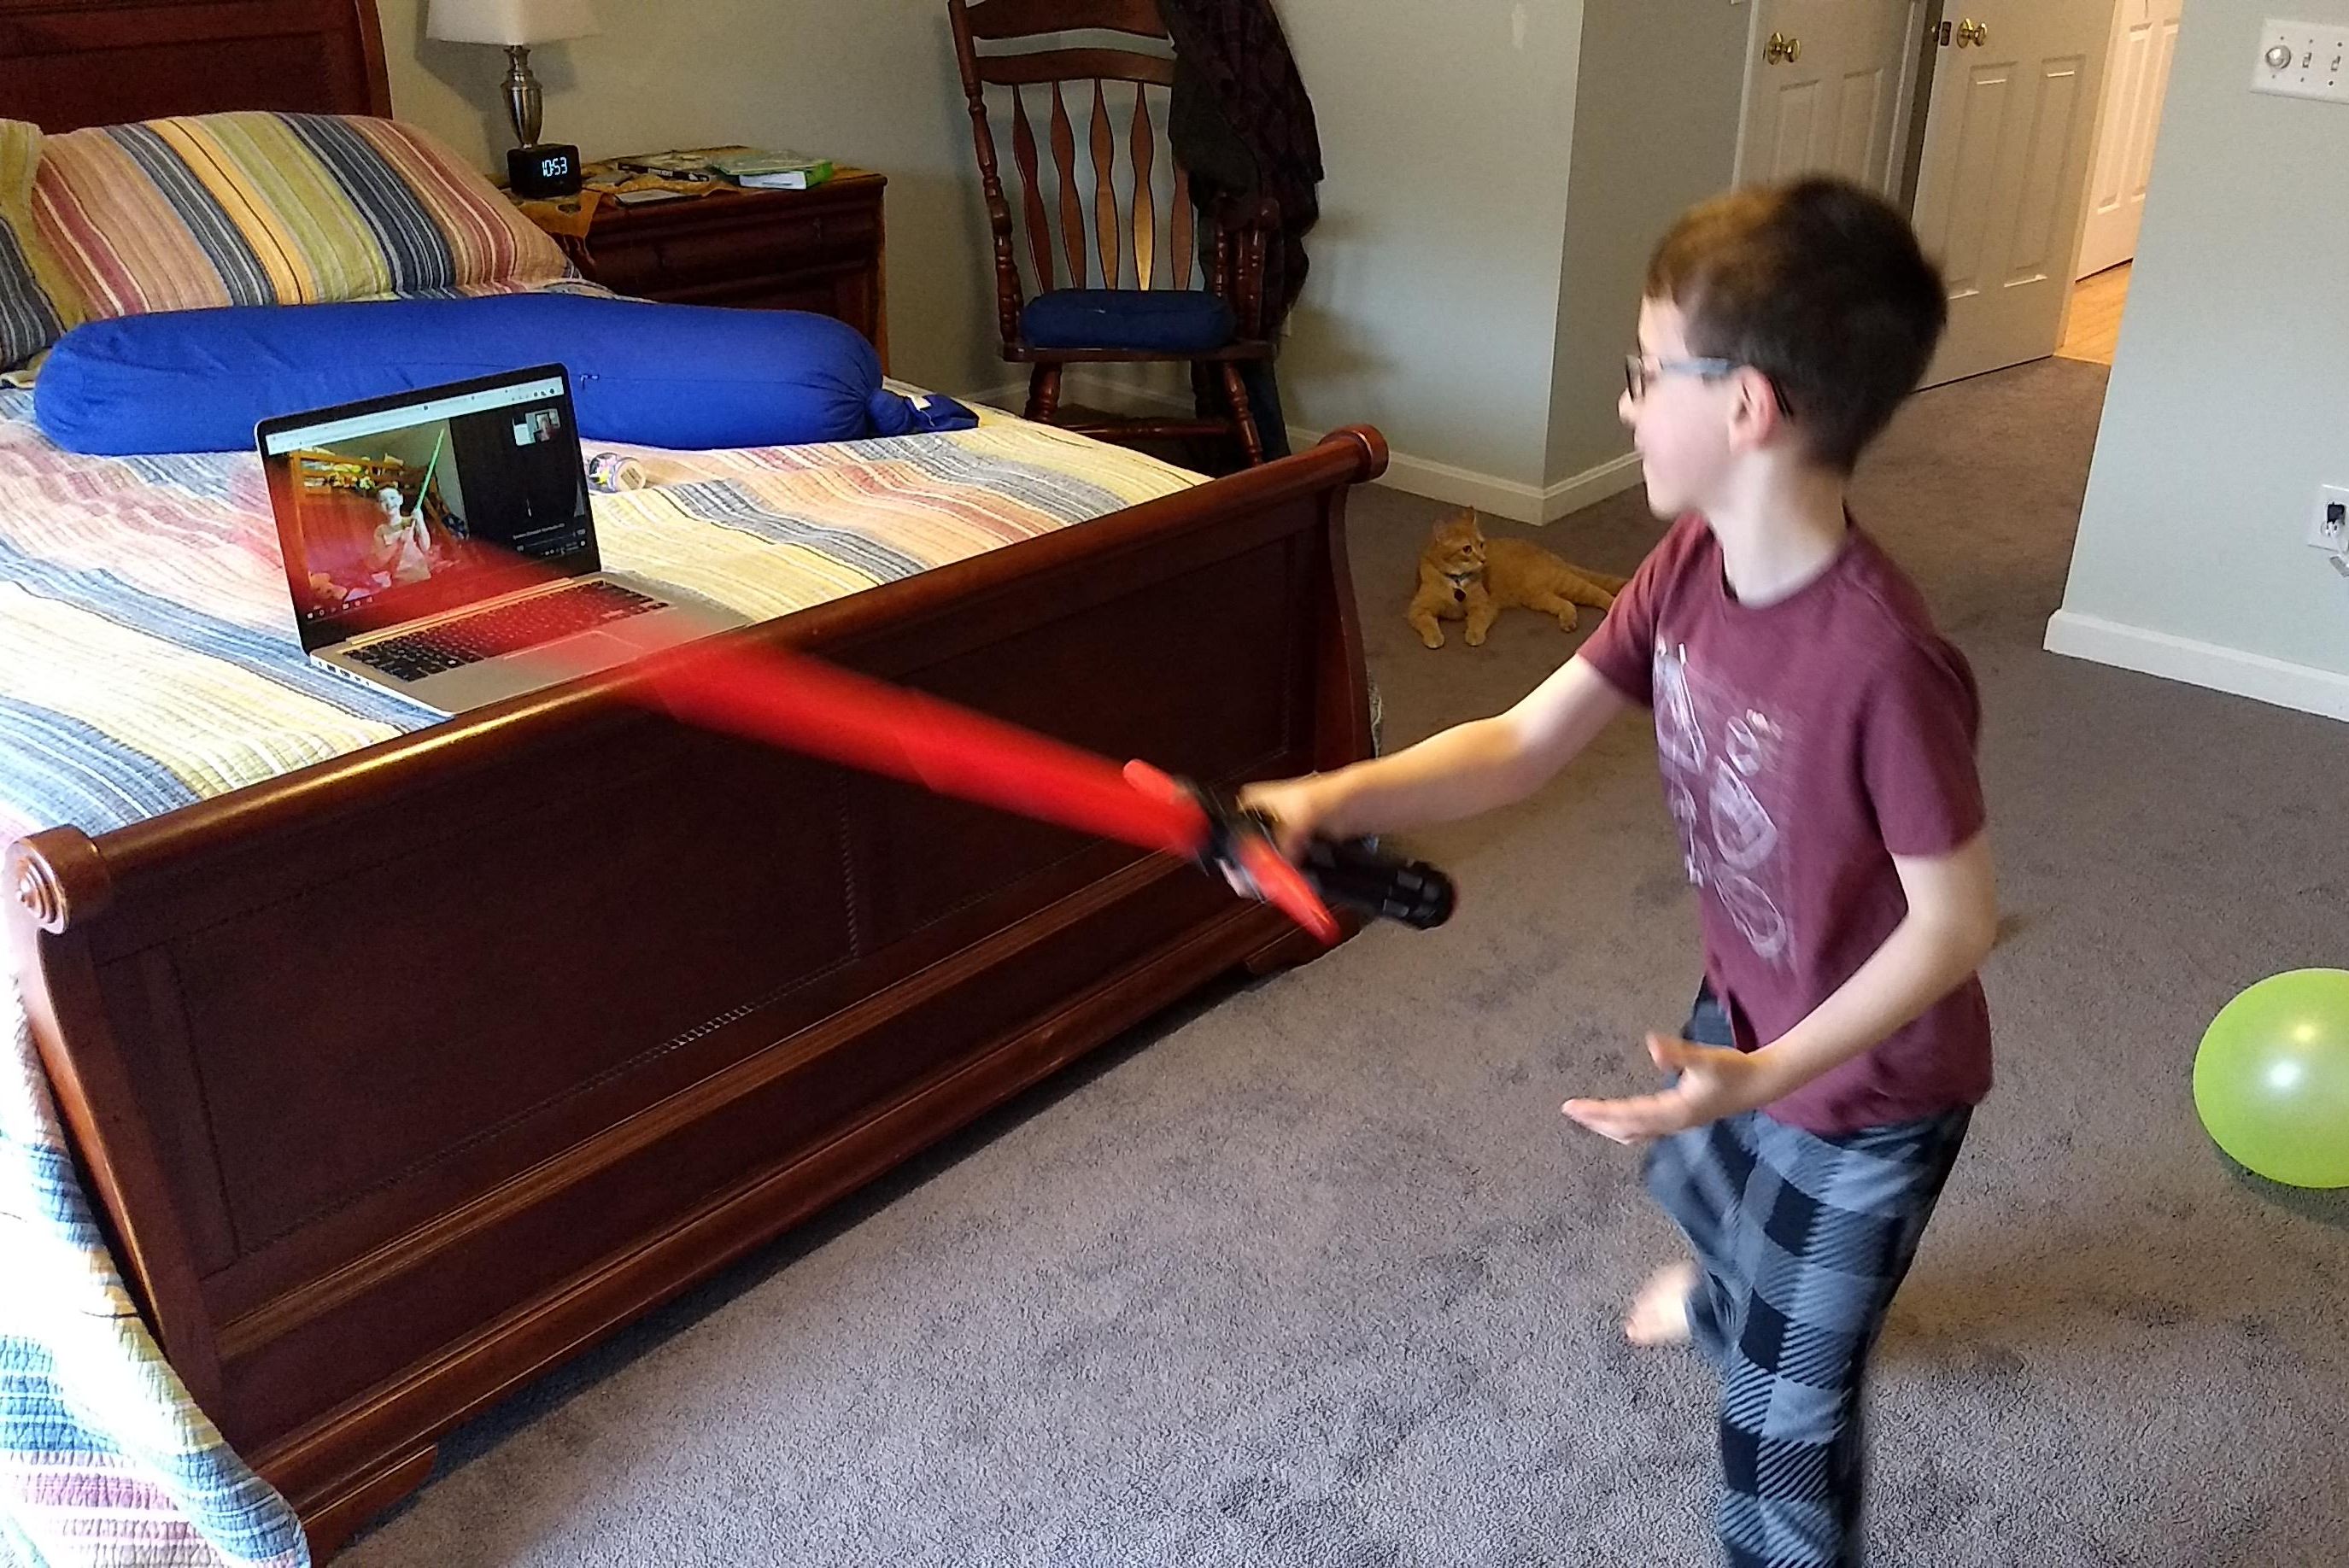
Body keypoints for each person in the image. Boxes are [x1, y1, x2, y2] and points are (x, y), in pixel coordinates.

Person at [1241, 177, 1996, 1566]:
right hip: (1745, 1005)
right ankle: (1726, 1289)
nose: (1624, 403)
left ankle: (1756, 1331)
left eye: (1645, 373)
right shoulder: (1691, 561)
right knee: (1701, 1188)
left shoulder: (1880, 664)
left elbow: (1953, 928)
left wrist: (1773, 1075)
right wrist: (1331, 795)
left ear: (1746, 407)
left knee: (1781, 1423)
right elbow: (1523, 744)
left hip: (1867, 1087)